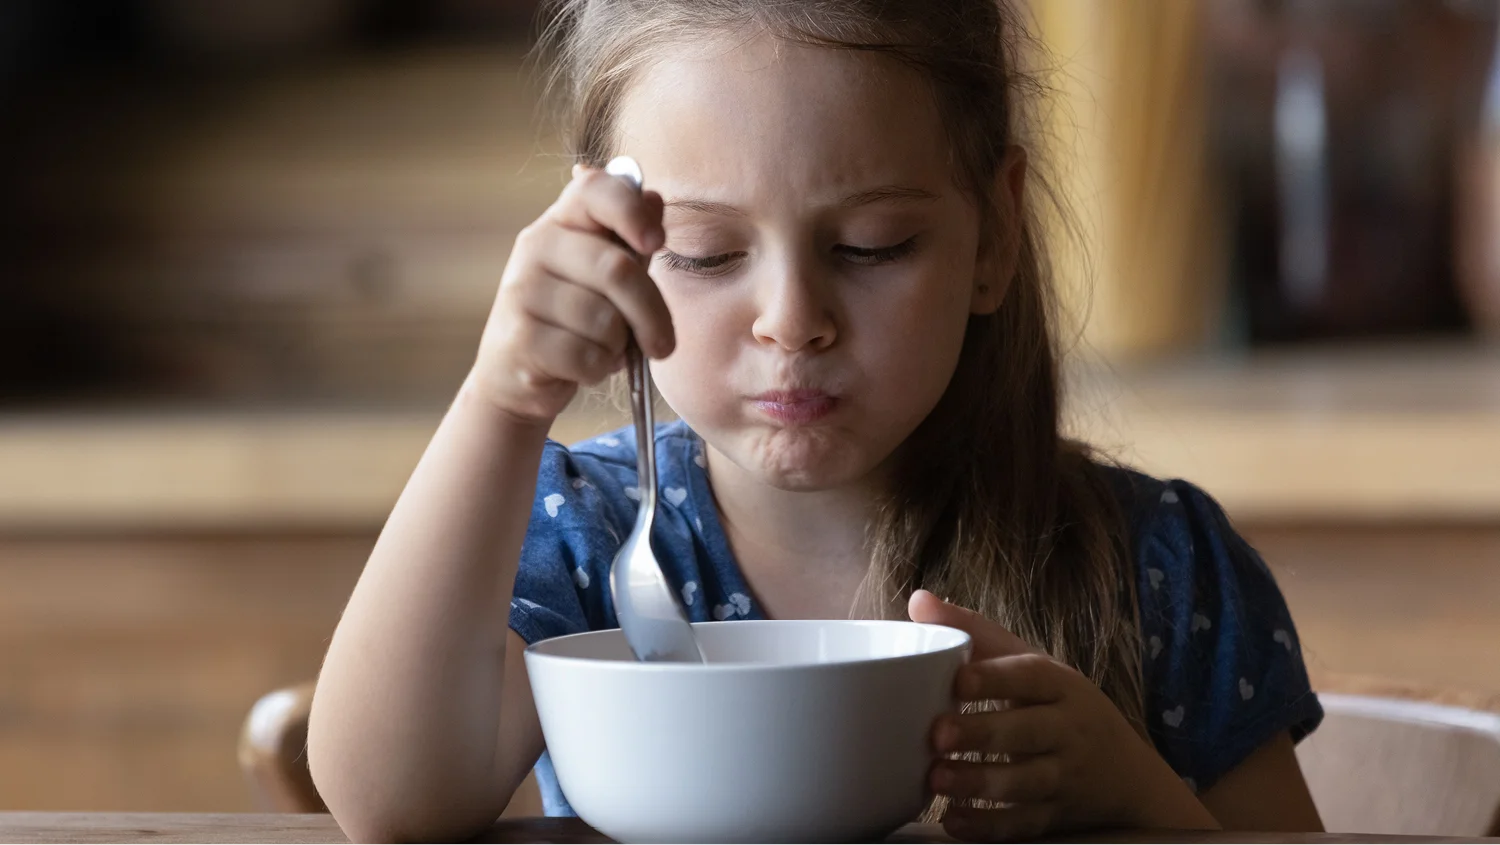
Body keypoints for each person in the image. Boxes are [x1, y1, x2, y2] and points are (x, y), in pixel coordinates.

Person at [307, 1, 1326, 840]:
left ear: (995, 235)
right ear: (608, 247)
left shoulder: (1155, 567)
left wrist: (1137, 800)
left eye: (875, 245)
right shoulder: (594, 542)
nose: (792, 321)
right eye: (706, 252)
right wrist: (503, 399)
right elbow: (387, 799)